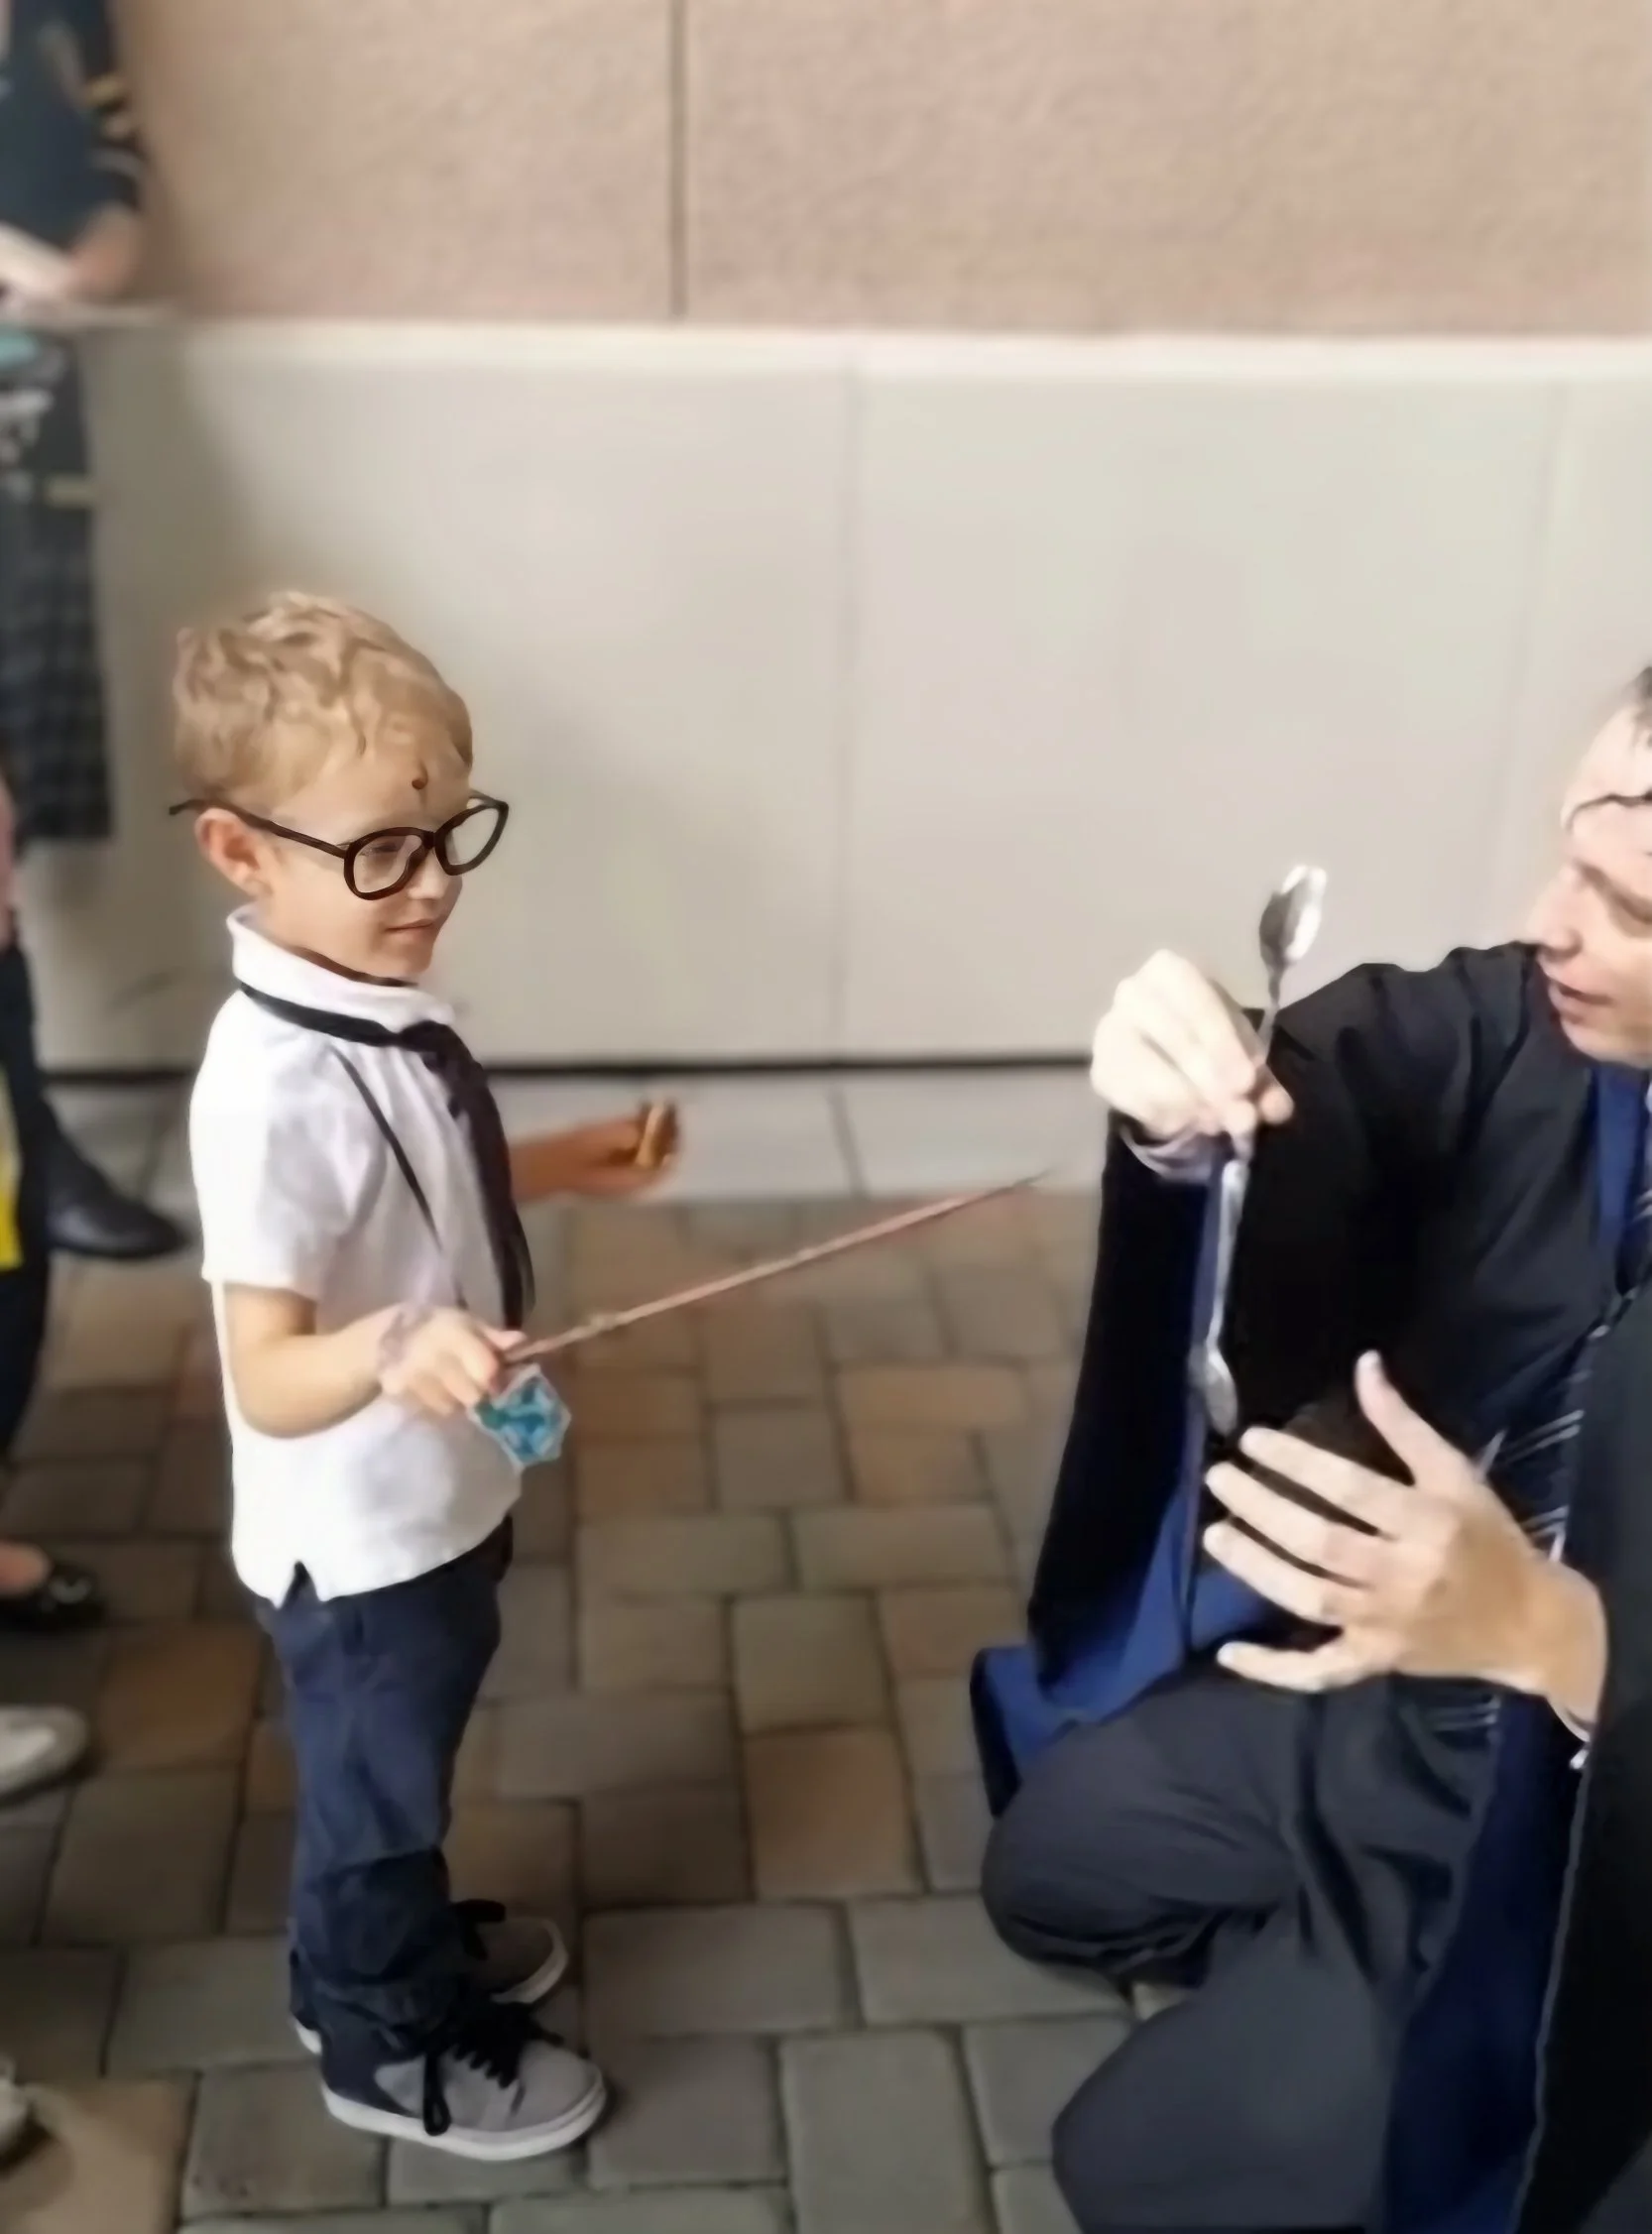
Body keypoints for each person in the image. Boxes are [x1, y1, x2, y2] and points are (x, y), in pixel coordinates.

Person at [975, 678, 1652, 2233]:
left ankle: (1371, 1995)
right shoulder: (1537, 1029)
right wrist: (1188, 1099)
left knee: (1138, 2175)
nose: (1547, 922)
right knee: (1055, 1868)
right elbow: (1350, 1080)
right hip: (1389, 1704)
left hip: (1589, 1824)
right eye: (1565, 858)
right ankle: (1322, 1965)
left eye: (1619, 905)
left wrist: (1557, 1633)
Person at [177, 593, 670, 2161]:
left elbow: (418, 1189)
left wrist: (560, 1169)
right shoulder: (270, 1088)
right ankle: (382, 2035)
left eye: (450, 834)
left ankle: (382, 1948)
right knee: (373, 1799)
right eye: (383, 849)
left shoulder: (369, 1004)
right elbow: (266, 1372)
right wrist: (394, 1343)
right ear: (242, 854)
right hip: (366, 1535)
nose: (431, 884)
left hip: (440, 1486)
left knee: (411, 1763)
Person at [0, 0, 187, 1261]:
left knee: (5, 820)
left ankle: (29, 1146)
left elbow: (115, 160)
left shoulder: (65, 13)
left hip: (25, 430)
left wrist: (84, 264)